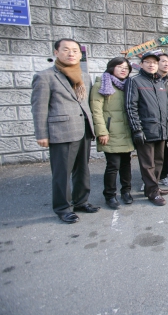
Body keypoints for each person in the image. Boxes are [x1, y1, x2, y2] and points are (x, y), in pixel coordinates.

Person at [31, 38, 99, 223]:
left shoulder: (83, 76)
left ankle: (81, 202)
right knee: (62, 172)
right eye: (66, 50)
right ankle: (63, 207)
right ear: (56, 52)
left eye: (75, 51)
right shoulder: (45, 77)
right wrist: (42, 134)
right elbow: (39, 108)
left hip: (83, 129)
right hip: (61, 131)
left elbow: (84, 103)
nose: (71, 54)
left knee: (82, 169)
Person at [125, 51, 168, 206]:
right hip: (145, 130)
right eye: (148, 62)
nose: (152, 65)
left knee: (159, 161)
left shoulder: (160, 83)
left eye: (154, 62)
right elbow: (130, 107)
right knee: (148, 163)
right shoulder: (135, 81)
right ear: (142, 64)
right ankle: (152, 192)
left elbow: (166, 107)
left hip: (161, 129)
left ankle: (154, 187)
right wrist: (137, 129)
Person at [90, 57, 135, 209]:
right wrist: (101, 131)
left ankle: (126, 191)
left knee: (126, 164)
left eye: (127, 68)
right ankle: (109, 195)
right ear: (111, 67)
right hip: (110, 132)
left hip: (126, 131)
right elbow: (96, 111)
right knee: (113, 165)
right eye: (120, 66)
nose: (124, 70)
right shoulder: (102, 83)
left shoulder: (128, 85)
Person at [157, 53, 168, 187]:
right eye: (163, 61)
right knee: (151, 153)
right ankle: (150, 180)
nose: (166, 64)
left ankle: (163, 176)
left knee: (164, 150)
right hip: (154, 121)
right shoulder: (149, 79)